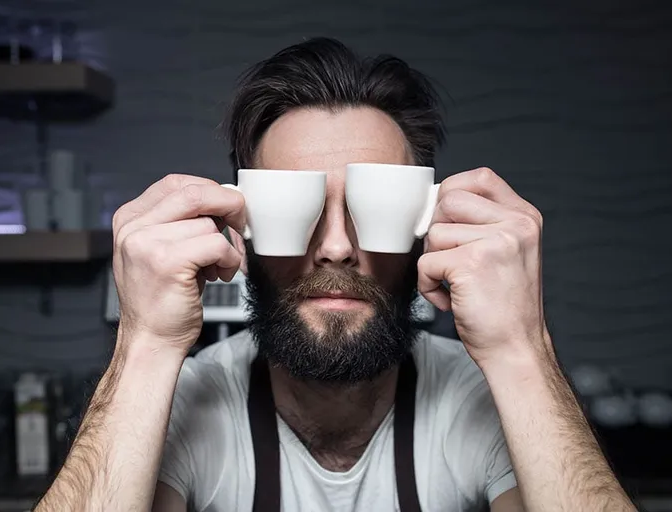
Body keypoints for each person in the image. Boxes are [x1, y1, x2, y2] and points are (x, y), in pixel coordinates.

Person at [35, 38, 636, 512]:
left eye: (375, 209)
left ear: (425, 223)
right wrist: (144, 344)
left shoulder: (480, 398)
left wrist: (520, 348)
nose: (336, 249)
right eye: (293, 209)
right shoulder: (188, 402)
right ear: (242, 222)